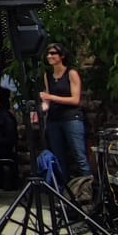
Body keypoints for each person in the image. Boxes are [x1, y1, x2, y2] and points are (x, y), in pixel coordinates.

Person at [39, 45, 90, 192]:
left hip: (71, 117)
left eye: (53, 53)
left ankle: (88, 189)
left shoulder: (71, 73)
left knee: (79, 155)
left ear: (62, 56)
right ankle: (64, 192)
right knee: (58, 157)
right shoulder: (47, 76)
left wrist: (51, 97)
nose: (50, 56)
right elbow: (47, 101)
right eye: (48, 54)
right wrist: (42, 107)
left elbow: (75, 99)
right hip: (54, 119)